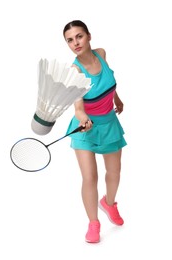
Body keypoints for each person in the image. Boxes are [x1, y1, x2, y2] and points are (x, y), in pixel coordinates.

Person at [63, 20, 127, 243]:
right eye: (69, 40)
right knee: (90, 177)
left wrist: (117, 100)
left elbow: (109, 81)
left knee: (115, 173)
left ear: (89, 36)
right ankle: (93, 223)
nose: (75, 43)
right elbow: (78, 107)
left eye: (79, 36)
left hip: (109, 123)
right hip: (85, 128)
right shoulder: (74, 71)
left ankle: (109, 204)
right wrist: (83, 118)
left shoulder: (101, 53)